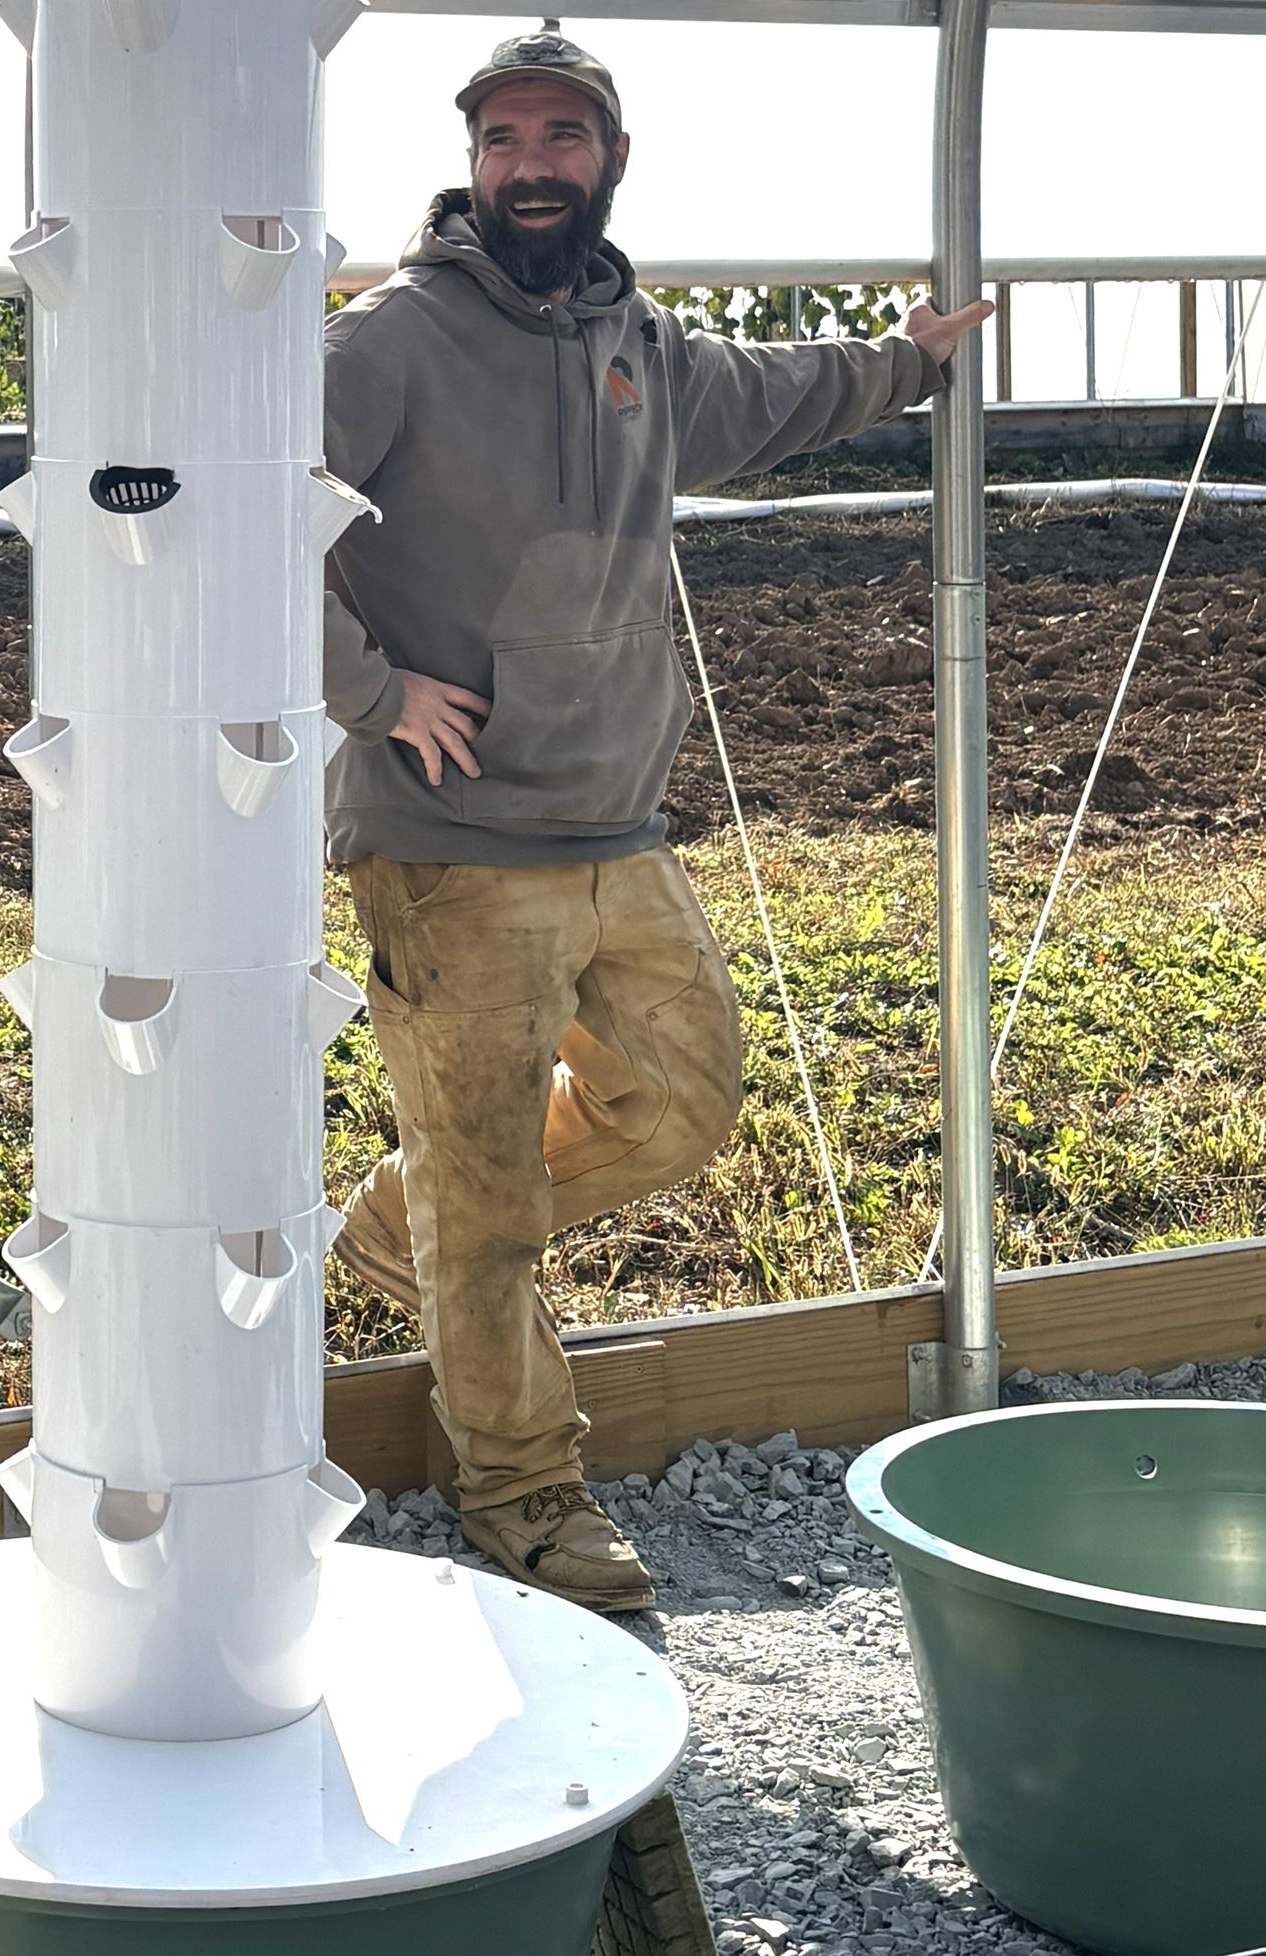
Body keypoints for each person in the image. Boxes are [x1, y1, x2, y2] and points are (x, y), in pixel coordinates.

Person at [320, 27, 993, 1612]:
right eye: (503, 139)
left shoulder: (641, 343)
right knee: (494, 1225)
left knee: (683, 1103)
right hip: (453, 841)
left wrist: (913, 359)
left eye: (561, 136)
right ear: (470, 161)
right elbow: (248, 497)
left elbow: (781, 393)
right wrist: (372, 691)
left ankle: (403, 1221)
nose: (530, 164)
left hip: (619, 823)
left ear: (608, 159)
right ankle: (524, 1492)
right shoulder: (394, 339)